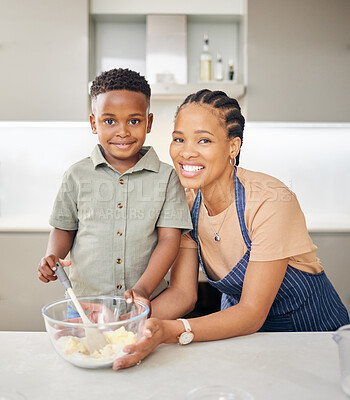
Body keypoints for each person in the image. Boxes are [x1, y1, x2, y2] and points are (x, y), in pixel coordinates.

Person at [117, 89, 350, 370]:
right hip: (235, 330)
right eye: (179, 139)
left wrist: (169, 331)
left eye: (204, 140)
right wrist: (122, 324)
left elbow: (252, 312)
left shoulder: (270, 200)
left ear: (233, 147)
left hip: (311, 335)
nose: (186, 151)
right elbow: (182, 294)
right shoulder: (188, 202)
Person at [37, 68, 192, 312]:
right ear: (93, 123)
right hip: (84, 306)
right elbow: (63, 228)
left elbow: (169, 240)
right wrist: (53, 255)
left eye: (134, 121)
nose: (123, 131)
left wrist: (143, 288)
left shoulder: (167, 177)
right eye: (110, 121)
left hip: (143, 306)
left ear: (148, 122)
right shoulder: (76, 175)